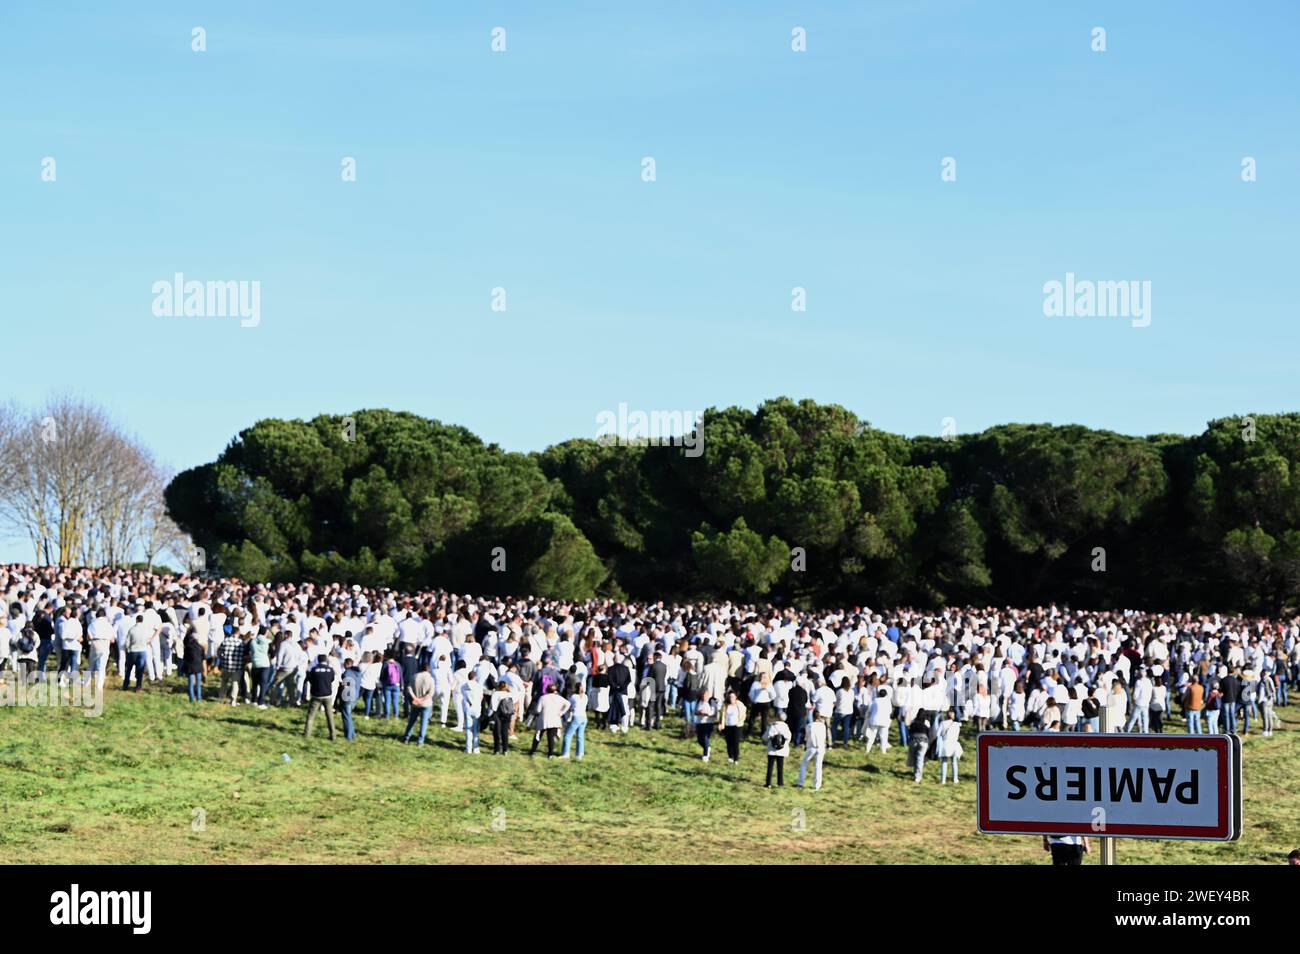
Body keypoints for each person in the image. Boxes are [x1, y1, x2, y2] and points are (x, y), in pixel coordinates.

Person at [530, 683, 570, 758]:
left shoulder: (543, 697)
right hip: (555, 719)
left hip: (544, 719)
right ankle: (550, 753)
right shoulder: (559, 698)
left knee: (538, 735)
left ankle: (533, 751)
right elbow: (568, 704)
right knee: (551, 737)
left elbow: (538, 710)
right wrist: (561, 712)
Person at [303, 654, 337, 741]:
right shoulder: (330, 670)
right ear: (326, 660)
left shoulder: (314, 670)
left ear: (318, 660)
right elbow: (332, 679)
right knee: (329, 716)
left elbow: (310, 680)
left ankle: (307, 733)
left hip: (316, 695)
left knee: (311, 715)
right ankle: (333, 735)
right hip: (327, 695)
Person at [402, 660, 436, 746]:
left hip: (415, 703)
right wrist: (422, 700)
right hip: (426, 703)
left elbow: (409, 688)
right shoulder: (431, 679)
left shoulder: (415, 676)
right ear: (428, 669)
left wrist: (415, 698)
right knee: (424, 722)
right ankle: (420, 741)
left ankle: (407, 737)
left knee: (412, 721)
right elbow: (430, 694)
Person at [797, 711, 827, 790]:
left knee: (804, 763)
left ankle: (801, 782)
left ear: (813, 717)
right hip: (820, 747)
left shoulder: (809, 726)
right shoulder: (823, 726)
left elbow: (806, 737)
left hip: (811, 746)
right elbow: (824, 737)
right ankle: (817, 785)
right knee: (818, 766)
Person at [122, 614, 152, 692]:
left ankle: (125, 684)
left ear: (136, 620)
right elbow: (148, 640)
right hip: (142, 651)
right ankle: (138, 686)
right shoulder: (146, 630)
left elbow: (127, 642)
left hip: (133, 651)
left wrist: (128, 650)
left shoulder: (132, 629)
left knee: (129, 669)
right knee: (140, 670)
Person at [217, 628, 245, 706]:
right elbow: (244, 654)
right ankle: (233, 700)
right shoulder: (241, 642)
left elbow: (219, 651)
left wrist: (223, 659)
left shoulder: (225, 640)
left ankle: (221, 698)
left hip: (226, 666)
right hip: (236, 667)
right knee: (235, 684)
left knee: (224, 683)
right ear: (238, 632)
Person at [560, 682, 588, 759]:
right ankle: (579, 754)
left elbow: (570, 706)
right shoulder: (585, 696)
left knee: (567, 735)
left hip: (576, 716)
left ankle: (565, 753)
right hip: (584, 717)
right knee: (580, 736)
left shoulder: (574, 697)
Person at [489, 678, 515, 754]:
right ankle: (505, 750)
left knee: (497, 732)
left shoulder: (496, 694)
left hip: (498, 714)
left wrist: (490, 715)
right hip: (507, 715)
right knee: (505, 732)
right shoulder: (510, 694)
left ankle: (496, 750)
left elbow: (493, 706)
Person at [460, 669, 484, 754]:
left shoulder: (463, 686)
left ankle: (468, 748)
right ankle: (476, 748)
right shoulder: (479, 686)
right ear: (475, 677)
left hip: (468, 708)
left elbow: (463, 695)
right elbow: (481, 697)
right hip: (477, 708)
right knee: (475, 729)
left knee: (468, 729)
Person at [936, 709, 963, 783]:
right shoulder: (956, 724)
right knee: (954, 762)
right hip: (954, 744)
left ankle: (943, 780)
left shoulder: (943, 723)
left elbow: (938, 734)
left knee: (944, 762)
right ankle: (955, 779)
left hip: (945, 743)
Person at [763, 716, 791, 788]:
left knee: (770, 767)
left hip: (772, 749)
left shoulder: (772, 726)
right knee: (780, 767)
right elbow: (789, 737)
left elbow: (765, 737)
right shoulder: (786, 727)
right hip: (782, 750)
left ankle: (768, 783)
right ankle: (780, 783)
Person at [339, 658, 363, 741]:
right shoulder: (357, 673)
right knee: (349, 716)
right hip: (355, 696)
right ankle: (352, 734)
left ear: (347, 664)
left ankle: (348, 736)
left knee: (346, 716)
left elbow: (345, 686)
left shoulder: (346, 673)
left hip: (347, 697)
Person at [907, 708, 933, 783]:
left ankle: (915, 773)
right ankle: (917, 776)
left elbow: (910, 731)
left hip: (913, 740)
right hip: (923, 741)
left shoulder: (913, 721)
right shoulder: (926, 722)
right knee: (920, 759)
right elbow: (928, 733)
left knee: (915, 758)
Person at [721, 689, 747, 764]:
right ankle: (730, 757)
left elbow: (744, 713)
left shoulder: (739, 704)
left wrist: (740, 720)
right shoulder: (725, 705)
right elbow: (722, 716)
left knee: (736, 743)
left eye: (732, 697)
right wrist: (721, 724)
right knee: (729, 742)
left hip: (737, 726)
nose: (731, 698)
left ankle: (736, 759)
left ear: (735, 697)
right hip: (728, 726)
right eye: (730, 697)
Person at [182, 625, 206, 702]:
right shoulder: (200, 647)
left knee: (191, 683)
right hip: (198, 666)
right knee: (198, 684)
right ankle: (199, 698)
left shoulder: (187, 648)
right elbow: (203, 659)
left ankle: (191, 698)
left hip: (190, 667)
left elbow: (184, 658)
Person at [695, 691, 717, 762]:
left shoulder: (711, 702)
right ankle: (707, 747)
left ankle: (705, 754)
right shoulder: (699, 701)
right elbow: (695, 711)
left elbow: (714, 712)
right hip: (699, 722)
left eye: (706, 696)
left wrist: (707, 713)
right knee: (699, 739)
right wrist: (699, 712)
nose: (705, 697)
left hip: (708, 722)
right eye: (703, 695)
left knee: (705, 737)